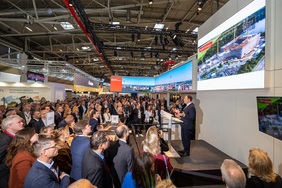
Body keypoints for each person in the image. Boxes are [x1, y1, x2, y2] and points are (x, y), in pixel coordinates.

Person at [0, 115, 24, 188]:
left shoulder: (13, 136)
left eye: (21, 121)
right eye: (19, 122)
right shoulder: (4, 139)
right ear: (9, 126)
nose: (22, 123)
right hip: (4, 175)